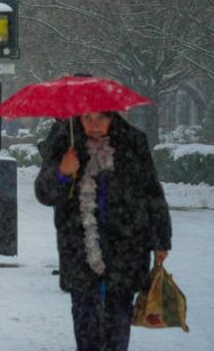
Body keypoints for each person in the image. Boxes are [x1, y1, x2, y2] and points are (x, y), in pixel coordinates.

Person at [35, 112, 172, 351]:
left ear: (113, 118)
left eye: (101, 118)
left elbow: (152, 193)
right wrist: (62, 173)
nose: (94, 125)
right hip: (79, 246)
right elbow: (44, 193)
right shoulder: (64, 142)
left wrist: (161, 240)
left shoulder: (133, 143)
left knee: (118, 320)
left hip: (127, 245)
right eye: (87, 118)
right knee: (85, 317)